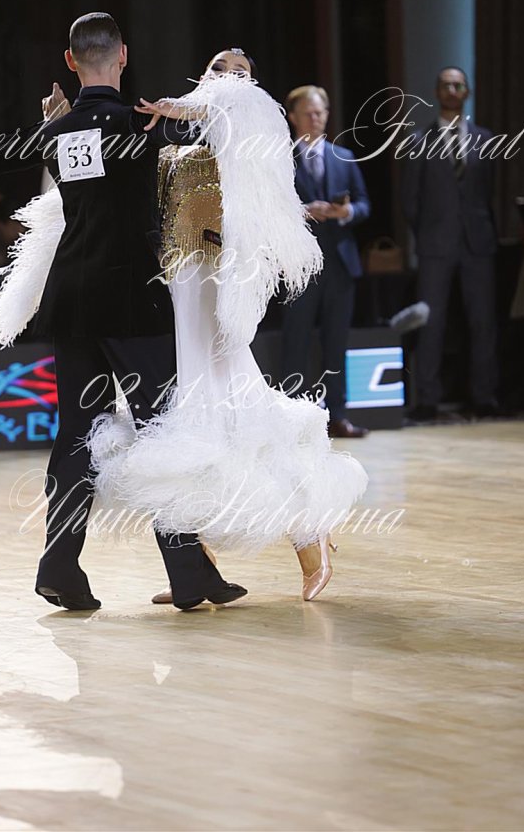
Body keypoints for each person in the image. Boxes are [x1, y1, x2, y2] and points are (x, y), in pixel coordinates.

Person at [0, 13, 247, 612]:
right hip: (133, 299)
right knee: (163, 432)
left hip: (74, 299)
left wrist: (55, 121)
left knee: (75, 436)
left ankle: (59, 566)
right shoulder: (142, 121)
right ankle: (188, 573)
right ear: (123, 55)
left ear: (70, 60)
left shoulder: (56, 131)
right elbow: (224, 131)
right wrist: (184, 109)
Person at [88, 50, 368, 602]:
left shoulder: (249, 127)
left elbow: (231, 111)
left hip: (216, 282)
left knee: (241, 411)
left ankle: (309, 537)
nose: (226, 76)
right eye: (218, 67)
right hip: (176, 286)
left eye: (239, 70)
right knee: (194, 423)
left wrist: (185, 105)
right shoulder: (177, 136)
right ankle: (200, 568)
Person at [402, 66, 498, 421]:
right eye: (446, 85)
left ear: (467, 92)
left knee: (483, 322)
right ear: (437, 92)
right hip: (435, 244)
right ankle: (428, 399)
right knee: (431, 323)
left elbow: (488, 193)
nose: (453, 90)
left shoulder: (485, 139)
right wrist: (428, 232)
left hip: (477, 244)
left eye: (458, 85)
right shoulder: (418, 141)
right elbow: (410, 201)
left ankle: (485, 397)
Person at [281, 85, 371, 438]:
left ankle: (338, 415)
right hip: (300, 264)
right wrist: (303, 211)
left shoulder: (343, 156)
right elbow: (270, 206)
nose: (315, 119)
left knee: (337, 344)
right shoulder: (279, 158)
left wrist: (344, 212)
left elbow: (364, 204)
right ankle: (292, 419)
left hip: (339, 261)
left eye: (320, 112)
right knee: (296, 342)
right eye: (308, 113)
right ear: (293, 117)